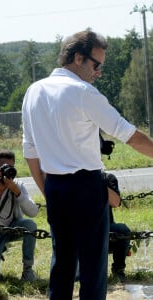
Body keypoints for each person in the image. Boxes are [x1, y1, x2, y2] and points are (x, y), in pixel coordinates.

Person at [22, 30, 153, 300]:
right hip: (86, 186)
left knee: (62, 265)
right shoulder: (83, 92)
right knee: (93, 268)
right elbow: (129, 135)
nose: (99, 73)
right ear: (78, 58)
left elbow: (30, 151)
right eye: (97, 65)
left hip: (54, 185)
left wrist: (47, 190)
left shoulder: (33, 91)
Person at [0, 149, 39, 281]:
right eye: (4, 167)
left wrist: (17, 192)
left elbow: (33, 212)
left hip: (12, 229)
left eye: (11, 167)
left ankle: (28, 270)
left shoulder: (17, 185)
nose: (8, 170)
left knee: (30, 225)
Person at [103, 171, 131, 282]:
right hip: (79, 226)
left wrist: (95, 181)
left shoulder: (107, 178)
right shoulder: (72, 178)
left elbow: (115, 202)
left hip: (105, 226)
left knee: (122, 230)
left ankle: (118, 269)